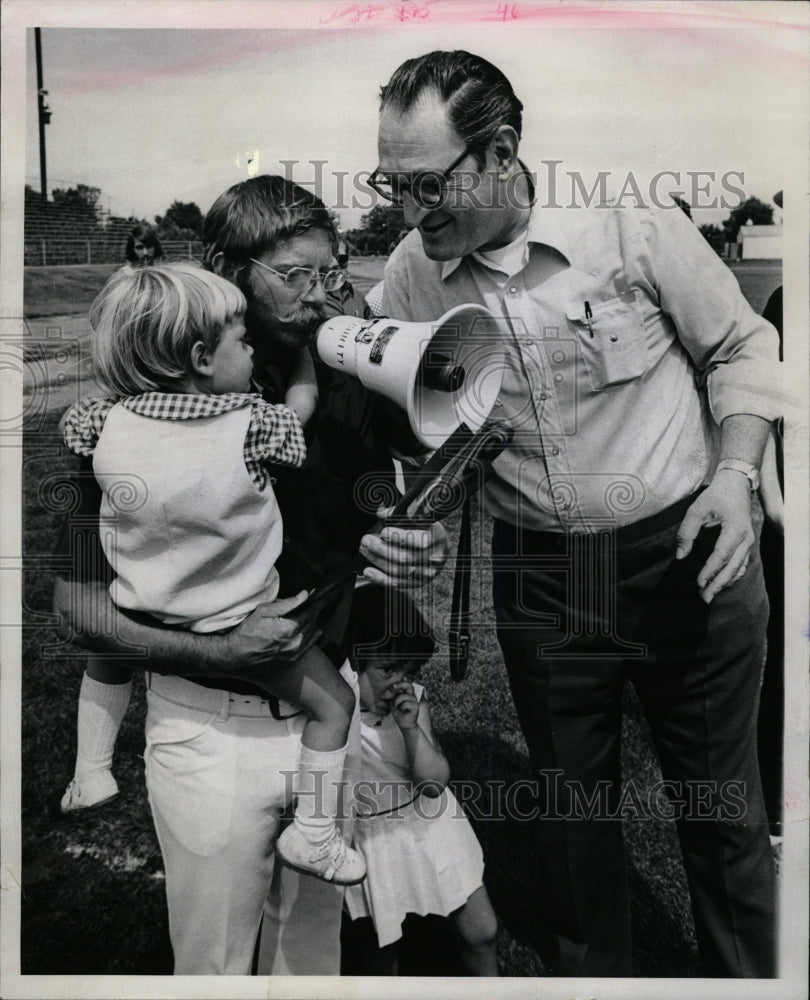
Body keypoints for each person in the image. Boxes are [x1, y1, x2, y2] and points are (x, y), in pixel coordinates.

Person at [370, 50, 781, 977]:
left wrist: (736, 477)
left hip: (688, 557)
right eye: (390, 185)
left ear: (502, 150)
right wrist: (416, 513)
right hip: (541, 579)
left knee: (723, 823)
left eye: (426, 185)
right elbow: (411, 422)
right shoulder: (410, 275)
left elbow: (740, 344)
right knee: (570, 828)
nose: (407, 212)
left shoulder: (627, 217)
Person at [52, 174, 449, 975]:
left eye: (328, 269)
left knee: (311, 961)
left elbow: (388, 497)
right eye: (292, 275)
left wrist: (413, 539)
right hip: (209, 730)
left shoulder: (340, 375)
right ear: (229, 268)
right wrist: (220, 653)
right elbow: (77, 605)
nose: (318, 293)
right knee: (214, 964)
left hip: (324, 719)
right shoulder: (138, 409)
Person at [58, 261, 366, 885]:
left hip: (141, 605)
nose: (252, 347)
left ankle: (91, 769)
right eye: (240, 338)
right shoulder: (254, 424)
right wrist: (305, 356)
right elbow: (301, 404)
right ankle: (315, 835)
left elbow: (82, 446)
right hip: (237, 619)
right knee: (336, 705)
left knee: (106, 660)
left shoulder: (99, 423)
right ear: (202, 358)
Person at [344, 584, 498, 976]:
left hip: (429, 821)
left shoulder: (412, 701)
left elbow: (434, 782)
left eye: (408, 671)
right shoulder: (336, 713)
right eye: (387, 669)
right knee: (384, 949)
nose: (399, 683)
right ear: (352, 658)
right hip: (375, 836)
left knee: (482, 930)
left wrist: (412, 731)